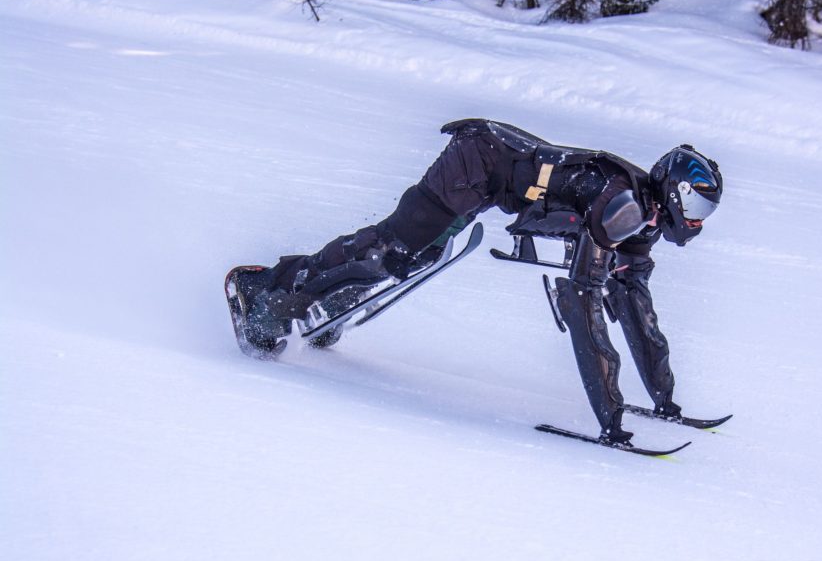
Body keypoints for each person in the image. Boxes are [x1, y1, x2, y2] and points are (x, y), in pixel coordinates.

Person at [230, 118, 723, 444]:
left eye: (707, 212)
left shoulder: (644, 217)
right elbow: (584, 305)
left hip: (498, 174)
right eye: (696, 207)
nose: (697, 222)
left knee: (408, 255)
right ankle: (270, 297)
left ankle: (325, 301)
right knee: (394, 250)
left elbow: (635, 304)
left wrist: (665, 398)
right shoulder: (625, 206)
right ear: (674, 193)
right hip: (477, 163)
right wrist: (611, 419)